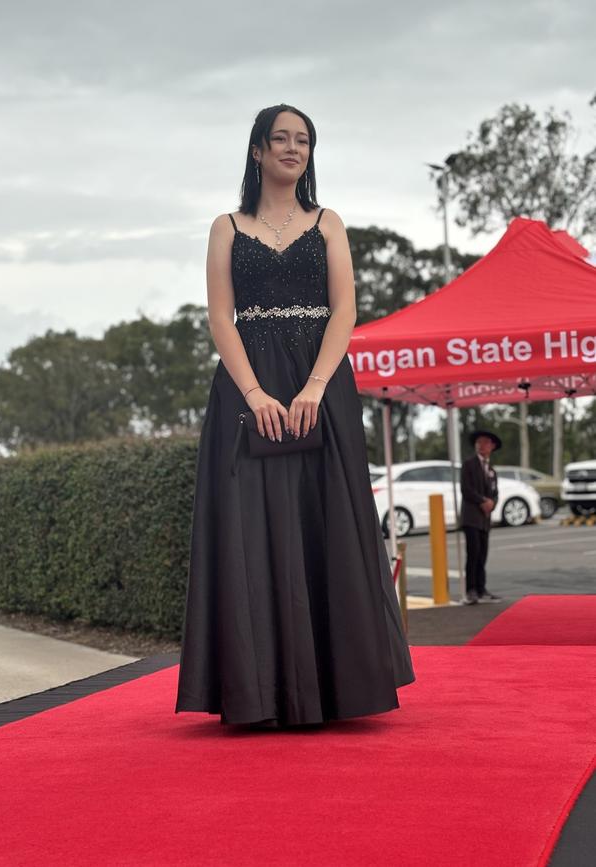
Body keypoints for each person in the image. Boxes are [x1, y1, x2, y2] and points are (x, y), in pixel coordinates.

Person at [175, 103, 414, 727]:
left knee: (327, 518)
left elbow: (345, 312)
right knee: (248, 527)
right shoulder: (225, 227)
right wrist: (255, 395)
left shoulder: (328, 222)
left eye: (302, 140)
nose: (292, 148)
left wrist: (312, 388)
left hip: (321, 387)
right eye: (278, 138)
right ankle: (258, 692)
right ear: (256, 151)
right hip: (245, 390)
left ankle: (339, 688)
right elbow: (218, 318)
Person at [460, 431, 503, 605]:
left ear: (492, 446)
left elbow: (495, 493)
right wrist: (482, 501)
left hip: (485, 519)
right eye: (478, 442)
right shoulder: (469, 465)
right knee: (473, 553)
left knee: (483, 554)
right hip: (471, 517)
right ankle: (471, 590)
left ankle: (481, 588)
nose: (481, 445)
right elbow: (466, 489)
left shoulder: (492, 470)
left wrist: (492, 503)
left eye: (485, 442)